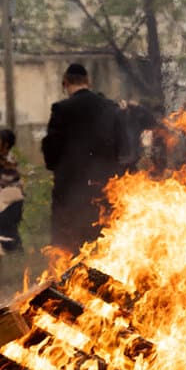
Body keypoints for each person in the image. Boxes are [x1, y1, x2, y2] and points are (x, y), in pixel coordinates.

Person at [41, 63, 131, 253]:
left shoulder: (62, 109)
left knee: (68, 246)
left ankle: (71, 280)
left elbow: (51, 149)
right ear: (88, 82)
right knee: (104, 244)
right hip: (105, 188)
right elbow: (125, 148)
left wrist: (59, 168)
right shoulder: (110, 108)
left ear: (64, 82)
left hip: (70, 192)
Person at [0, 129, 25, 251]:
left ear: (5, 145)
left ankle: (16, 250)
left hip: (13, 199)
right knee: (0, 222)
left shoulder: (10, 160)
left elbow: (7, 179)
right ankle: (5, 248)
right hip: (1, 197)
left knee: (10, 224)